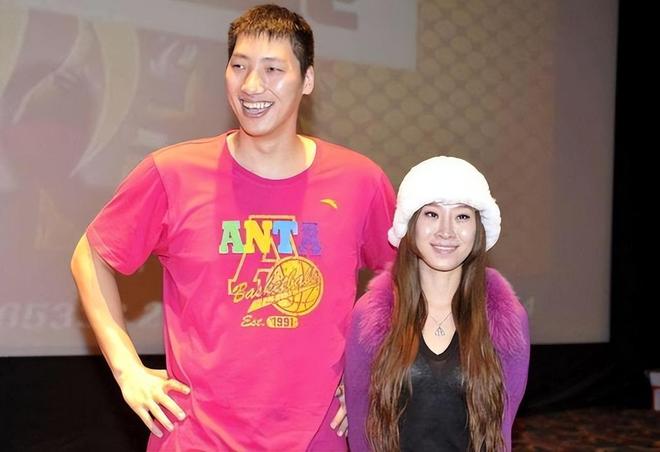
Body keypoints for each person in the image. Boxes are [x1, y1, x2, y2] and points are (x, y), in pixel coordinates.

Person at [70, 4, 395, 451]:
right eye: (239, 66)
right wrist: (128, 370)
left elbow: (410, 280)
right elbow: (90, 255)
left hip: (319, 438)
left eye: (272, 69)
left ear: (308, 80)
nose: (251, 85)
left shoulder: (359, 181)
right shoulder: (173, 172)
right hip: (196, 437)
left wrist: (372, 374)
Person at [345, 156, 530, 452]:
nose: (446, 231)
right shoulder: (370, 316)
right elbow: (360, 426)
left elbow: (501, 429)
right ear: (410, 224)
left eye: (462, 217)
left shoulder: (506, 319)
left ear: (478, 228)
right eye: (431, 214)